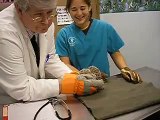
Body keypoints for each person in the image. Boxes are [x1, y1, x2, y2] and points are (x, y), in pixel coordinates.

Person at [0, 0, 104, 104]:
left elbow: (50, 60)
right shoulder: (4, 30)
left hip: (35, 99)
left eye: (50, 13)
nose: (46, 22)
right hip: (10, 103)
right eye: (38, 15)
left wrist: (73, 77)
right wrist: (66, 85)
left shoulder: (46, 24)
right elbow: (20, 88)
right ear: (19, 10)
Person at [55, 0, 142, 84]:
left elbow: (115, 52)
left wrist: (125, 68)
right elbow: (65, 64)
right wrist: (84, 76)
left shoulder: (105, 28)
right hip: (80, 84)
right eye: (74, 9)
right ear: (68, 11)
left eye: (82, 8)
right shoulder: (63, 35)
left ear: (89, 7)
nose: (79, 13)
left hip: (105, 82)